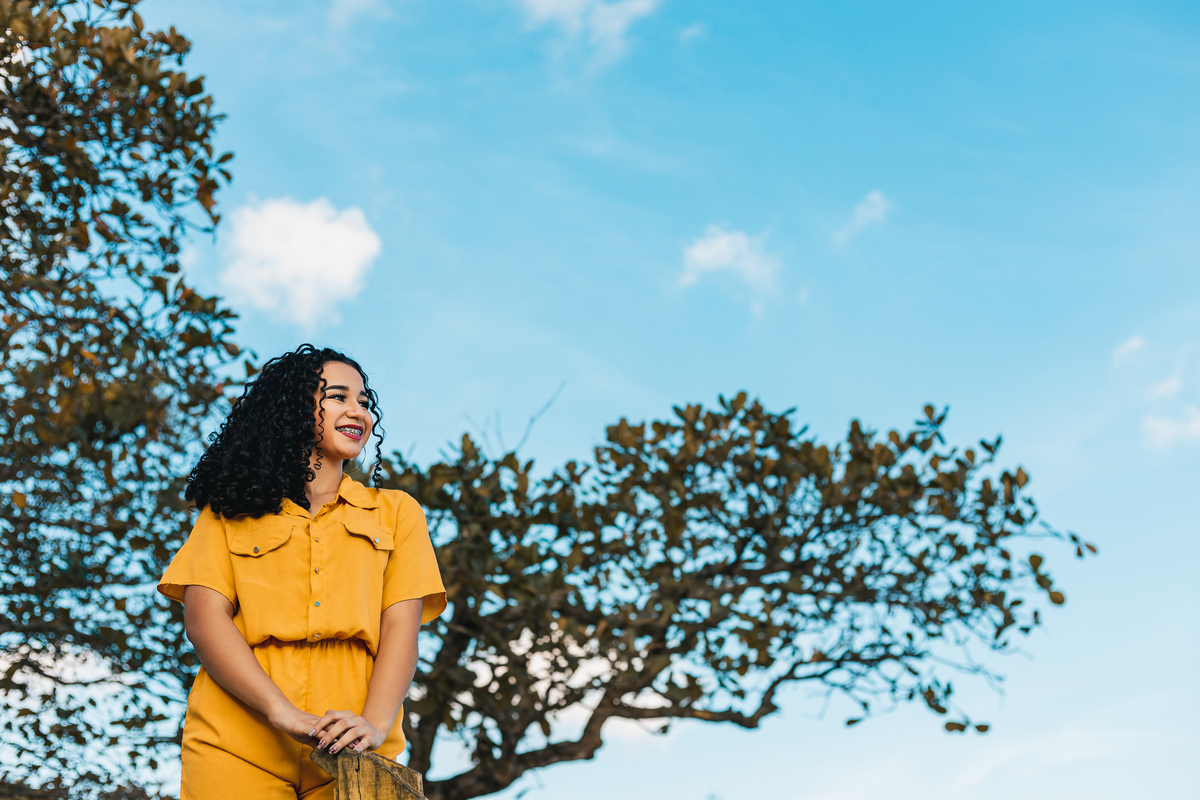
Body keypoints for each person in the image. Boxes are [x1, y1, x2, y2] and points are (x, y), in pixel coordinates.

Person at [158, 344, 446, 800]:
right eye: (337, 396)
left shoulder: (397, 513)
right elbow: (204, 619)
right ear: (292, 409)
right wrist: (281, 711)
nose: (358, 411)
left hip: (359, 746)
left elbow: (401, 631)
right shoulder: (228, 512)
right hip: (237, 738)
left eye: (364, 402)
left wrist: (372, 724)